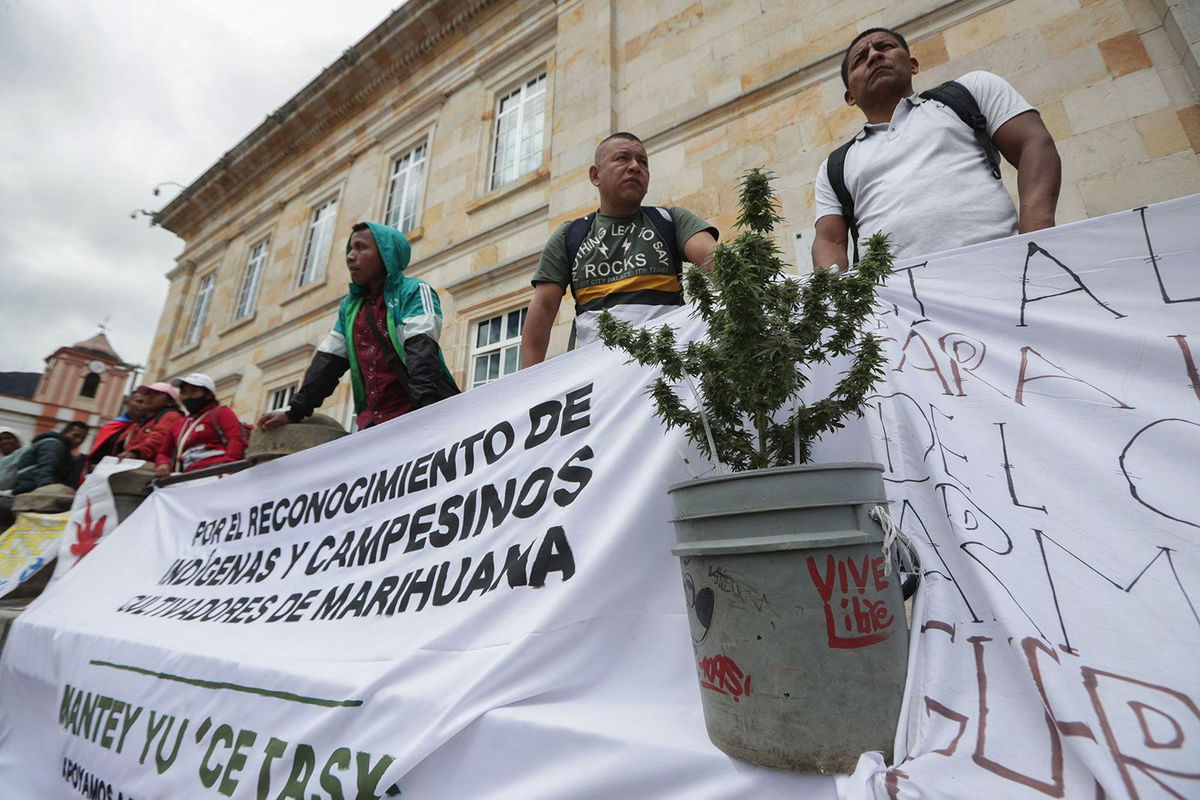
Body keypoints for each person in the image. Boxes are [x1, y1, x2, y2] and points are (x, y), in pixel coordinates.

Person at [811, 28, 1061, 269]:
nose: (874, 55)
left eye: (885, 46)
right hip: (895, 305)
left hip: (999, 271)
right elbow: (829, 240)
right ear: (850, 97)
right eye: (860, 59)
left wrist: (1035, 238)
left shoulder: (972, 91)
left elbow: (1033, 144)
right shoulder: (834, 167)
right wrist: (835, 300)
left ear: (913, 65)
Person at [520, 132, 719, 366]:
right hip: (602, 378)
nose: (635, 166)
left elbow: (721, 266)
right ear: (596, 175)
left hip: (671, 371)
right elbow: (543, 307)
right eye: (622, 158)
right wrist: (529, 389)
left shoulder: (671, 220)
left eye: (642, 161)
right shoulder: (569, 235)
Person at [257, 222, 459, 433]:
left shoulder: (415, 291)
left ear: (386, 254)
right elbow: (326, 365)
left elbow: (422, 356)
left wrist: (426, 414)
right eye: (350, 249)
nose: (350, 256)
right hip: (372, 426)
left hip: (418, 419)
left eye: (361, 248)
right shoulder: (349, 307)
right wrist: (294, 412)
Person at [154, 374, 246, 478]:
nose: (187, 396)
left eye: (193, 391)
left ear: (208, 395)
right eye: (183, 392)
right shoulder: (178, 424)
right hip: (187, 475)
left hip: (217, 472)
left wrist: (228, 467)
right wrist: (163, 464)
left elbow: (235, 439)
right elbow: (163, 453)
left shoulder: (221, 412)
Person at [11, 421, 90, 494]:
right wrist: (48, 490)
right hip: (30, 489)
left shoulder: (64, 450)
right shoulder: (53, 444)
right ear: (64, 433)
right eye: (76, 435)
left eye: (82, 438)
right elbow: (46, 469)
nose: (78, 440)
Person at [117, 382, 184, 462]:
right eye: (147, 393)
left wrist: (135, 453)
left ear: (170, 402)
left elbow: (158, 439)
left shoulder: (171, 416)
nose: (149, 396)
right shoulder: (142, 421)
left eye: (156, 393)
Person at [83, 392, 146, 476]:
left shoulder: (145, 428)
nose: (142, 406)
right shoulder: (112, 425)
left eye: (145, 403)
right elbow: (98, 450)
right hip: (101, 471)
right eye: (139, 401)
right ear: (127, 402)